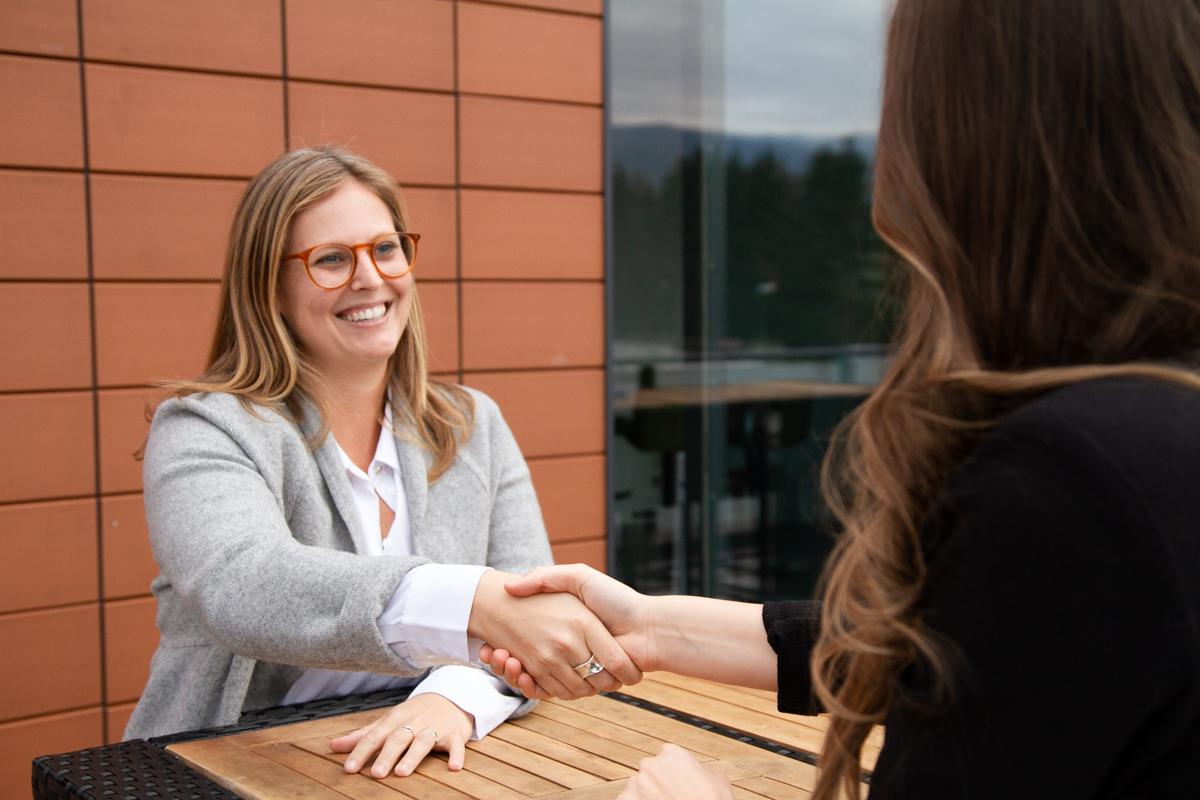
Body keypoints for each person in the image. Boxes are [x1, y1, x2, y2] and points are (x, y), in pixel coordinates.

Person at [482, 1, 1200, 797]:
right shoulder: (1154, 423)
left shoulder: (1074, 473)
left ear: (975, 143)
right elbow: (1007, 654)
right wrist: (654, 627)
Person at [124, 146, 639, 779]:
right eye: (332, 260)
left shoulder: (472, 424)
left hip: (426, 760)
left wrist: (453, 697)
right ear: (270, 288)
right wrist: (468, 601)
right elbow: (243, 585)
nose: (369, 278)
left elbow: (529, 613)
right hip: (224, 767)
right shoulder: (206, 428)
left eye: (386, 249)